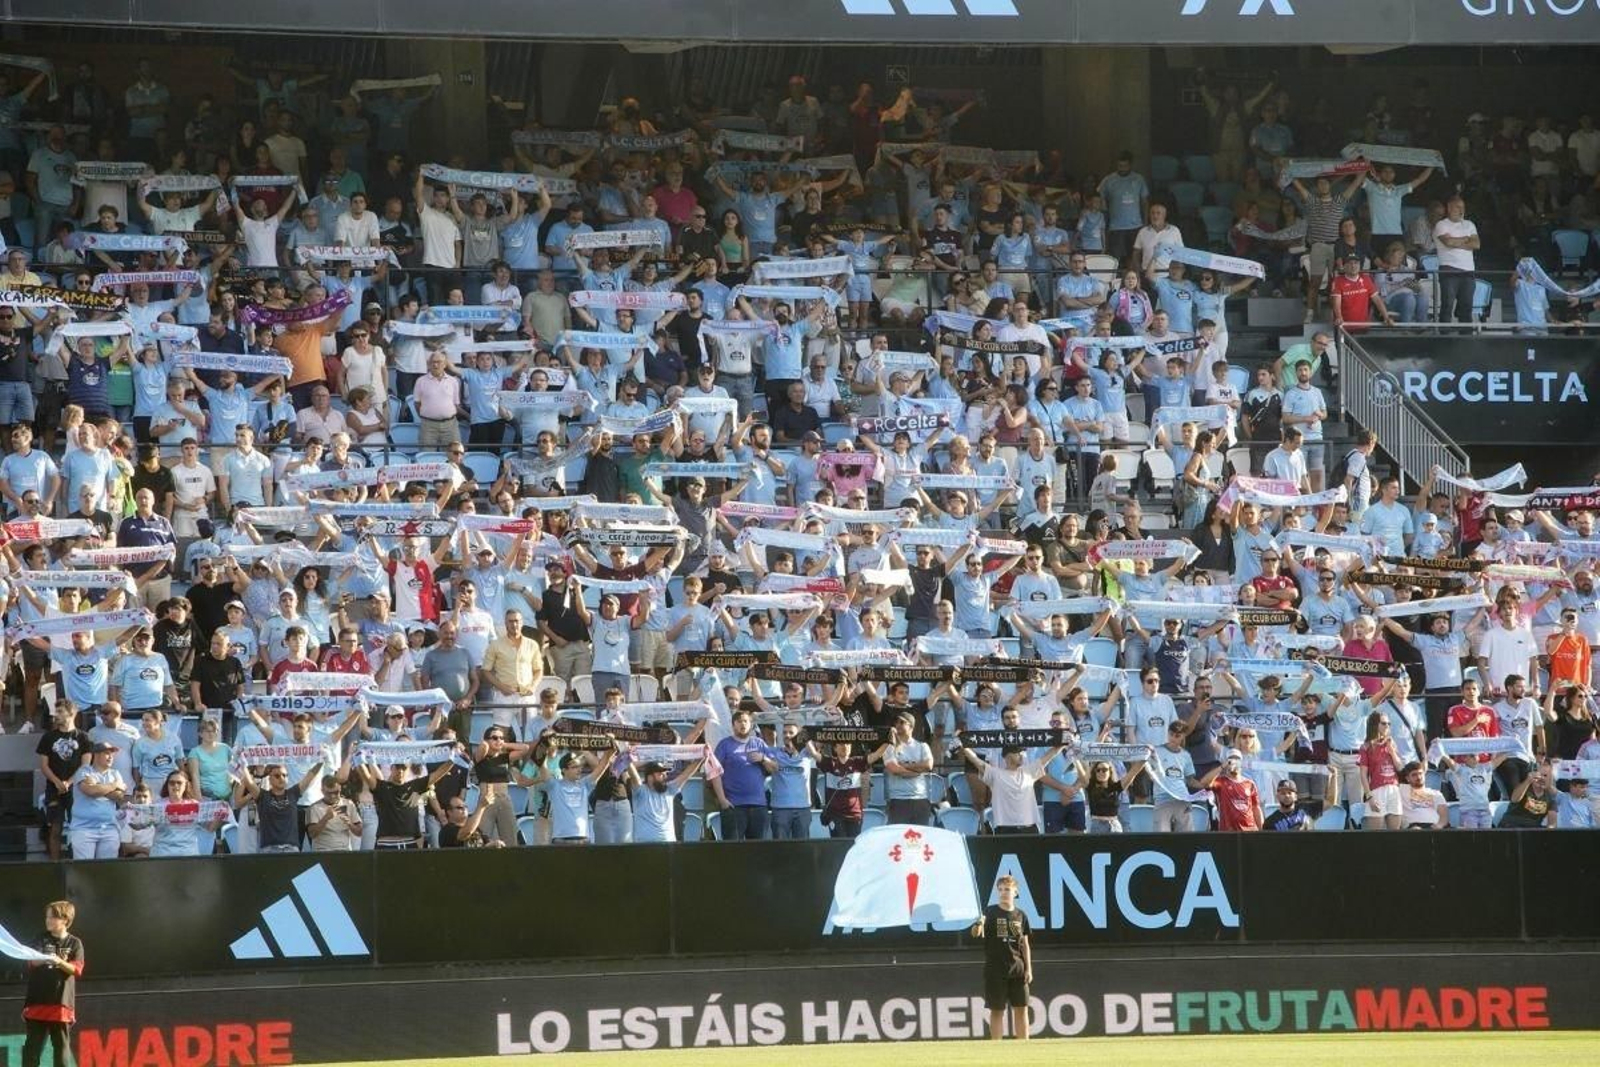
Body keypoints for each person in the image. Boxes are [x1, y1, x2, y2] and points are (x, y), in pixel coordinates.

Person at [20, 900, 84, 1067]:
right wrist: (45, 958)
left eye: (52, 917)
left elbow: (76, 970)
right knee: (31, 1051)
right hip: (37, 1004)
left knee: (61, 1049)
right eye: (47, 917)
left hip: (61, 1006)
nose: (47, 920)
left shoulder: (74, 943)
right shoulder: (40, 939)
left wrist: (59, 961)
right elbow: (31, 962)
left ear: (64, 920)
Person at [969, 874, 1032, 1042]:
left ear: (1016, 892)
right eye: (1001, 890)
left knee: (1022, 1008)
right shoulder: (989, 912)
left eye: (1008, 889)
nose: (1004, 893)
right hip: (995, 971)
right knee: (997, 1010)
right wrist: (978, 924)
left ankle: (1024, 1046)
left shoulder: (1021, 915)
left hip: (1018, 970)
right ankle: (997, 1048)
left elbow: (1025, 945)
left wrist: (1028, 969)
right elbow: (976, 934)